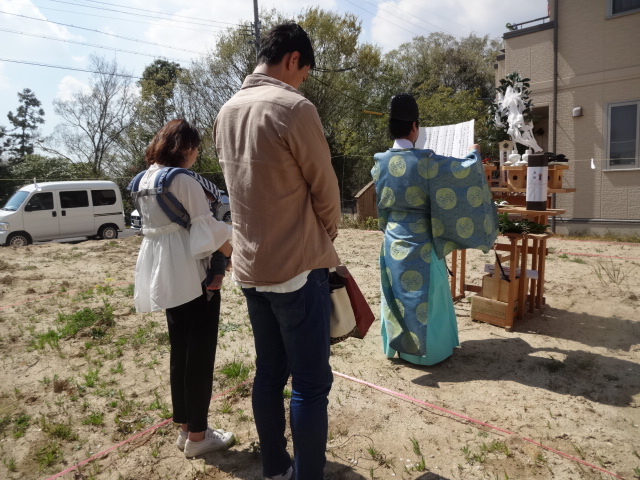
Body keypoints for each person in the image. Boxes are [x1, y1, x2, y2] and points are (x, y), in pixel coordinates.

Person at [213, 22, 341, 480]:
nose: (302, 80)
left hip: (249, 268)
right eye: (304, 71)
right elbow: (325, 189)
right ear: (293, 60)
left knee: (268, 372)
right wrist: (327, 234)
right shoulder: (294, 107)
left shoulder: (225, 111)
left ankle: (274, 468)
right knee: (310, 383)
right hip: (296, 268)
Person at [133, 119, 235, 458]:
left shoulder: (143, 178)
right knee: (201, 355)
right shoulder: (183, 179)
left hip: (163, 270)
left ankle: (185, 428)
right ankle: (199, 436)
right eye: (195, 148)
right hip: (194, 272)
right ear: (186, 148)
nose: (195, 155)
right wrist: (232, 253)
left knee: (181, 351)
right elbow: (206, 230)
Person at [372, 93, 498, 366]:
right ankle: (430, 353)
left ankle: (399, 348)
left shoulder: (380, 162)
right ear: (415, 127)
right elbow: (462, 170)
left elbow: (381, 205)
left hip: (393, 240)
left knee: (395, 296)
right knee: (430, 297)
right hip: (423, 244)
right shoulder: (426, 161)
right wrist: (474, 154)